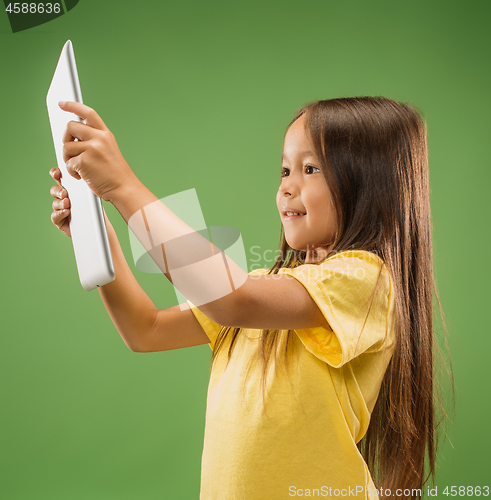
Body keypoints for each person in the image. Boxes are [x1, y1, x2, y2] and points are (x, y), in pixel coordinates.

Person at [49, 97, 446, 500]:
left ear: (368, 183)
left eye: (310, 169)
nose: (287, 185)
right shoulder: (259, 290)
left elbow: (229, 296)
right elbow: (145, 329)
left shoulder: (366, 281)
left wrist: (123, 185)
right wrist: (98, 229)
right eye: (285, 169)